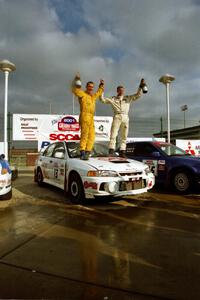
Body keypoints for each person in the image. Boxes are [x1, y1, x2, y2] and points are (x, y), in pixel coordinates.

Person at [100, 79, 147, 157]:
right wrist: (101, 88)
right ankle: (111, 150)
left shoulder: (128, 98)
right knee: (113, 134)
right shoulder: (113, 98)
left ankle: (122, 151)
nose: (121, 91)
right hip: (117, 116)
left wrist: (140, 86)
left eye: (122, 90)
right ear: (117, 91)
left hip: (125, 116)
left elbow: (138, 95)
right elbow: (102, 100)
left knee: (124, 135)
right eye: (120, 90)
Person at [72, 73, 104, 160]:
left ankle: (87, 152)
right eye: (90, 86)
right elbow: (74, 90)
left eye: (92, 87)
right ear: (86, 87)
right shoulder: (82, 94)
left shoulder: (93, 96)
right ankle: (82, 151)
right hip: (84, 115)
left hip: (91, 117)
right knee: (84, 135)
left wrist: (101, 85)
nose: (91, 88)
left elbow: (99, 92)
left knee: (92, 136)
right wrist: (76, 80)